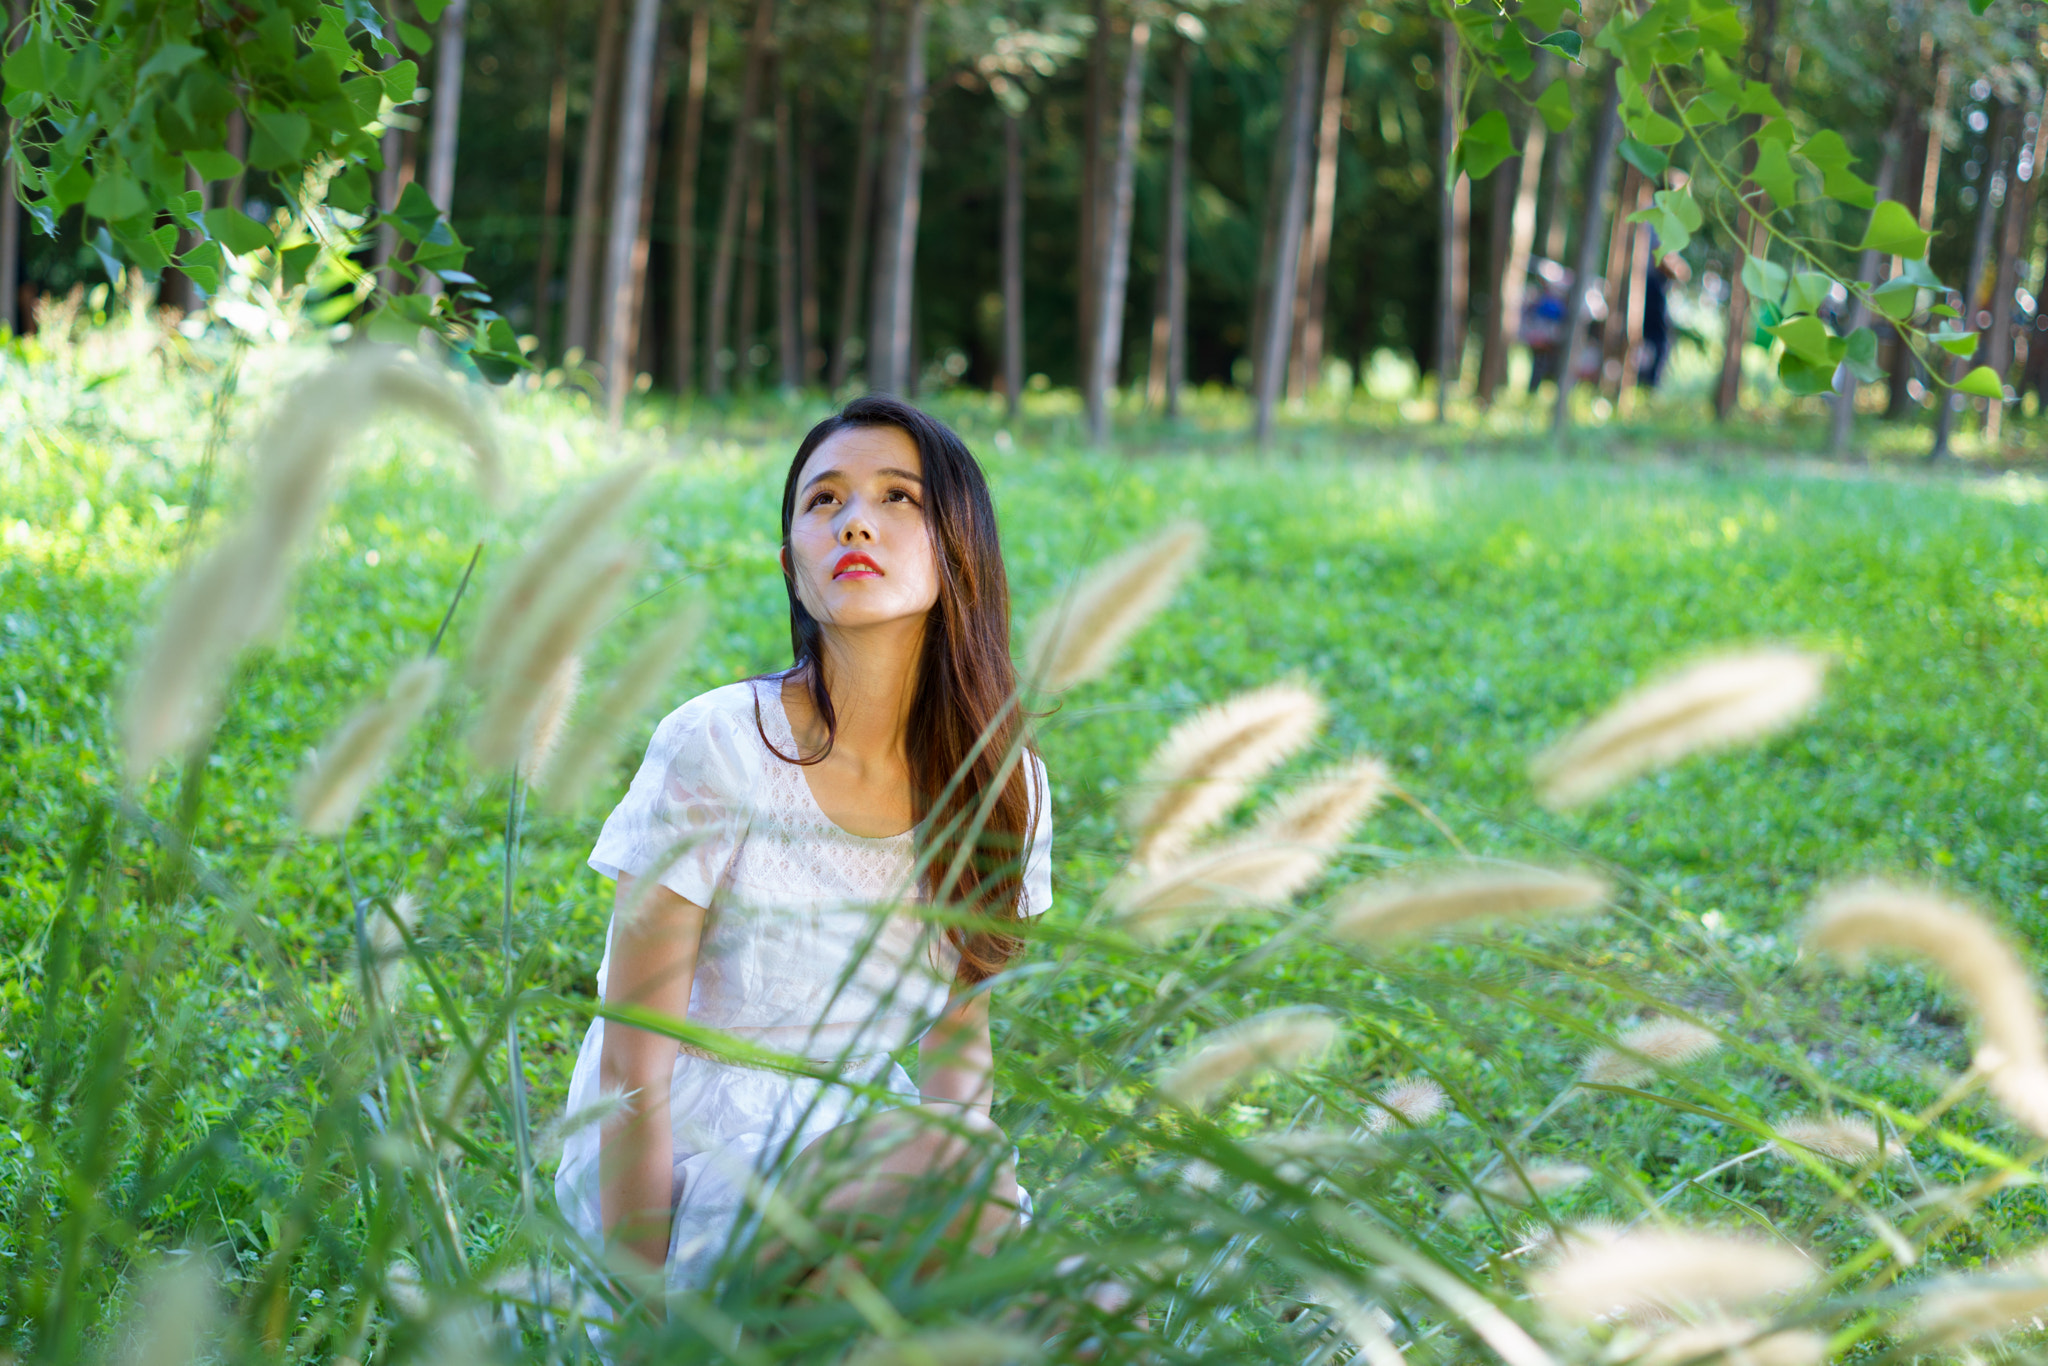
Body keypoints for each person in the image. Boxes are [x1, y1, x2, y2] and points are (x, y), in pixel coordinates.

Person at [553, 395, 1053, 1298]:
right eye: (825, 500)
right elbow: (633, 1058)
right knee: (951, 1173)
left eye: (899, 497)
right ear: (794, 566)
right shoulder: (718, 747)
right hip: (684, 1156)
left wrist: (968, 1206)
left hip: (874, 1141)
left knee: (1053, 1300)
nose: (856, 517)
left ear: (960, 549)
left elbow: (958, 1041)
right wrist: (641, 1308)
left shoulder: (1002, 782)